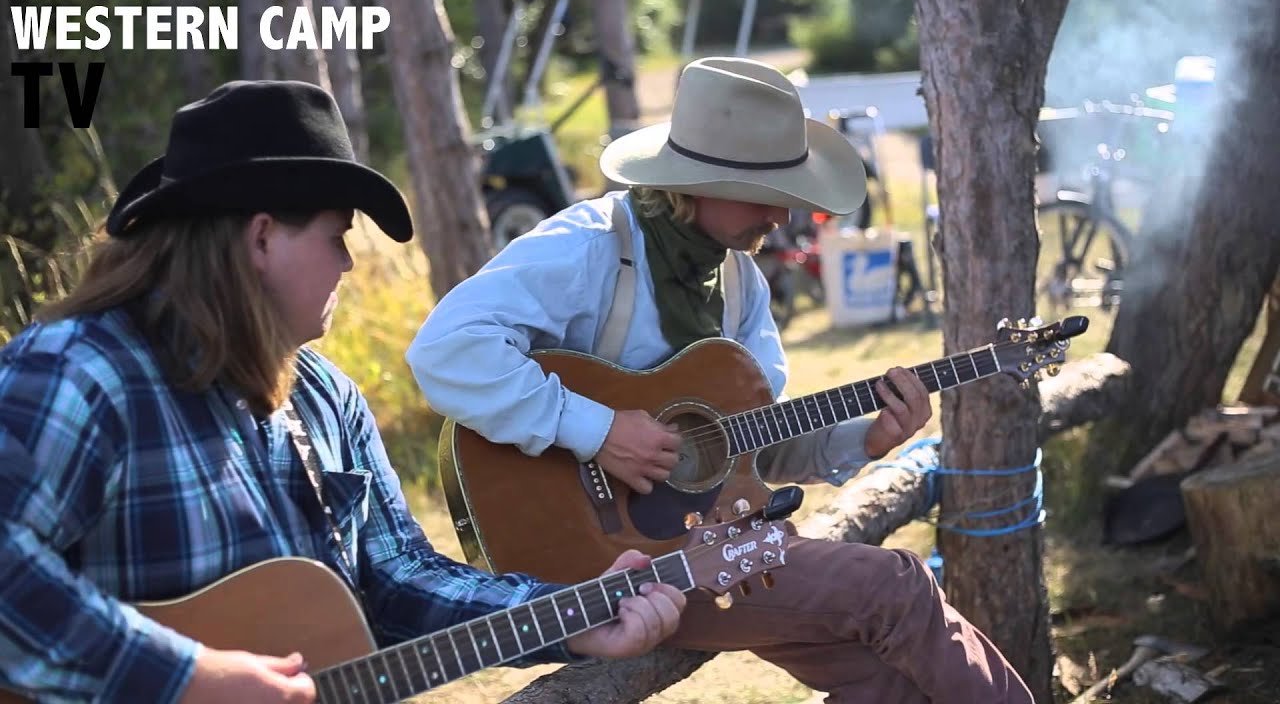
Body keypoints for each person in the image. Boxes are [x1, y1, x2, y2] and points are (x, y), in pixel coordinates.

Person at [0, 80, 685, 704]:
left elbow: (398, 579)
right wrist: (185, 677)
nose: (351, 262)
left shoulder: (325, 398)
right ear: (263, 239)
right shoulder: (82, 371)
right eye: (337, 236)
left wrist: (572, 617)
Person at [407, 58, 1035, 703]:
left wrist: (866, 439)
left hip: (707, 547)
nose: (782, 218)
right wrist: (597, 430)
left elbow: (754, 445)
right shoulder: (588, 247)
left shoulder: (738, 283)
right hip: (593, 567)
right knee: (894, 583)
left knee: (878, 681)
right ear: (698, 182)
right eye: (768, 195)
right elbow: (446, 351)